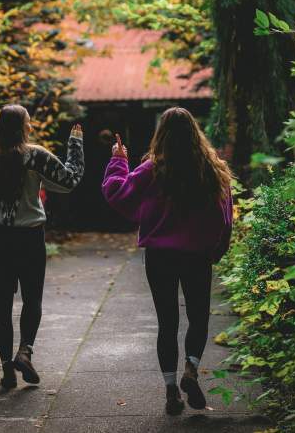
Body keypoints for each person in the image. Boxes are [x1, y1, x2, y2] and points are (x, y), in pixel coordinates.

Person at [101, 107, 233, 416]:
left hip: (160, 257)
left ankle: (171, 391)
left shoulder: (153, 169)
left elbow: (118, 193)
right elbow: (225, 217)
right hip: (198, 256)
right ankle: (191, 367)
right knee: (199, 318)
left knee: (167, 323)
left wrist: (119, 160)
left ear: (162, 134)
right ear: (195, 133)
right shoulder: (213, 170)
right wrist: (218, 249)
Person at [0, 104, 84, 390]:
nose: (31, 126)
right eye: (28, 122)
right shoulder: (36, 155)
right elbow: (69, 181)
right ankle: (25, 352)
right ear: (22, 127)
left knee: (2, 304)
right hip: (29, 237)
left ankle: (6, 369)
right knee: (32, 299)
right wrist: (75, 145)